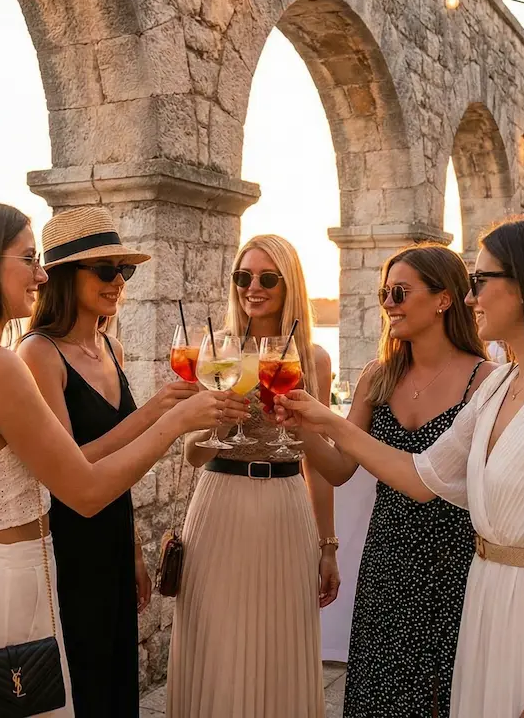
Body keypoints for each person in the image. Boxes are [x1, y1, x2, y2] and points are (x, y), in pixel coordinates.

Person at [278, 215, 524, 718]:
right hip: (482, 607)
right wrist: (314, 419)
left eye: (480, 282)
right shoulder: (500, 387)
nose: (471, 298)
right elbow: (421, 477)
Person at [0, 200, 245, 718]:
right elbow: (84, 491)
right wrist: (176, 421)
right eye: (27, 258)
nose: (40, 273)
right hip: (4, 605)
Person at [18, 208, 195, 716]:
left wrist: (135, 546)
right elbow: (67, 464)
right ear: (64, 275)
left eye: (125, 270)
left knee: (118, 682)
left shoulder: (111, 346)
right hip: (68, 543)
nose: (118, 281)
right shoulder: (39, 354)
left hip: (113, 533)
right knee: (83, 680)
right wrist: (163, 414)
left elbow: (120, 462)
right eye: (105, 269)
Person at [301, 245, 489, 717]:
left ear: (444, 299)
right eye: (384, 292)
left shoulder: (485, 382)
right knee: (379, 692)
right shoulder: (377, 377)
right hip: (387, 559)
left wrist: (324, 418)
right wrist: (299, 424)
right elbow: (342, 470)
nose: (388, 303)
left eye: (400, 292)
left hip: (454, 563)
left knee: (440, 694)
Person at [167, 234, 338, 718]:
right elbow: (192, 454)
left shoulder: (312, 359)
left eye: (267, 278)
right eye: (243, 277)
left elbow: (320, 465)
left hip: (285, 509)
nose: (252, 287)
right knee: (218, 646)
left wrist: (328, 545)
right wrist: (221, 418)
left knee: (279, 644)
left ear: (290, 285)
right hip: (219, 505)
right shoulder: (215, 349)